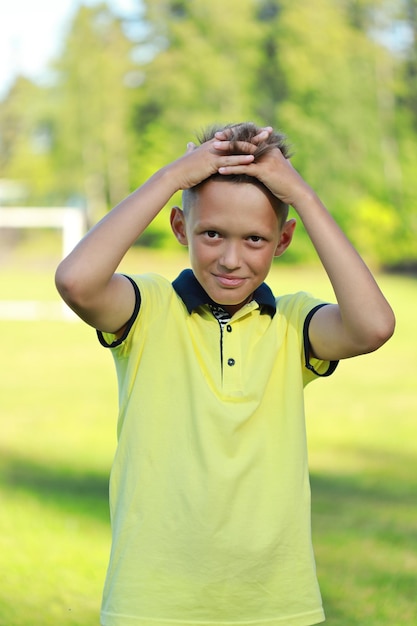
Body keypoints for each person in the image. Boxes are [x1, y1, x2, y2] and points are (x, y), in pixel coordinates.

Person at [55, 122, 395, 626]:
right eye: (211, 233)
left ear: (283, 240)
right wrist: (173, 175)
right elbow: (76, 281)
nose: (231, 259)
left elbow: (373, 326)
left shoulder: (292, 323)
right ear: (178, 227)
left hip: (276, 605)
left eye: (255, 239)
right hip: (153, 603)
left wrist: (301, 193)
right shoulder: (147, 308)